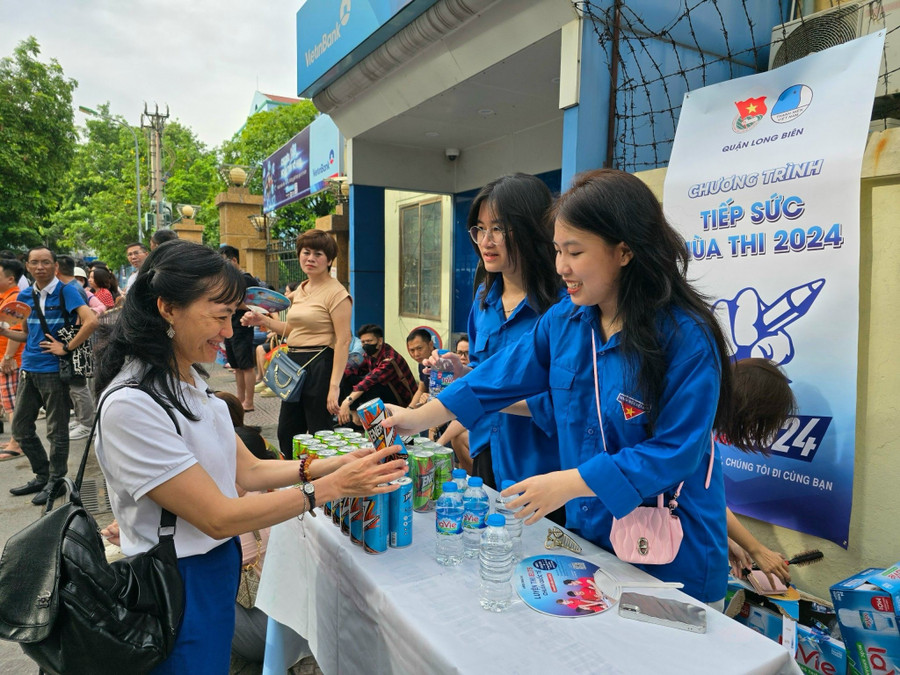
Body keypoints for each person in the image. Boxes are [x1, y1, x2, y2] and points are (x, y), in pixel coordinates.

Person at [385, 169, 735, 604]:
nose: (561, 268)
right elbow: (495, 378)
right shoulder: (565, 321)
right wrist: (416, 418)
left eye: (575, 252)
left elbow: (676, 452)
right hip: (594, 539)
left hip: (673, 557)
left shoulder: (685, 338)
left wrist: (570, 482)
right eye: (556, 251)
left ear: (624, 251)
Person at [93, 239, 406, 673]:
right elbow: (218, 516)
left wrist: (337, 463)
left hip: (213, 567)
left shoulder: (187, 382)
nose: (228, 331)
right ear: (168, 308)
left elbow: (250, 469)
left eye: (231, 316)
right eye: (219, 316)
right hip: (176, 578)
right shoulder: (133, 403)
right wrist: (331, 488)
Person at [426, 173, 563, 492]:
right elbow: (482, 370)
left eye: (498, 229)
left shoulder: (562, 308)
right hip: (487, 449)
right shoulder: (483, 300)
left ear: (532, 229)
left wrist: (485, 395)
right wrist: (462, 373)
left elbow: (562, 400)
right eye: (480, 229)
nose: (486, 241)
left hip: (541, 463)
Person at [241, 230, 352, 458]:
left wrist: (334, 387)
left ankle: (324, 476)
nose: (310, 258)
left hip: (320, 364)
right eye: (306, 252)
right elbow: (292, 330)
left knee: (319, 431)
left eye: (318, 254)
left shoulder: (337, 294)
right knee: (288, 431)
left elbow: (343, 341)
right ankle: (293, 473)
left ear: (329, 260)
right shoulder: (301, 290)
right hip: (294, 363)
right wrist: (262, 320)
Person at [3, 246, 99, 505]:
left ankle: (56, 481)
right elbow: (27, 334)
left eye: (46, 262)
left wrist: (66, 347)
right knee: (20, 428)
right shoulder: (26, 295)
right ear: (28, 266)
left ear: (55, 266)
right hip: (29, 368)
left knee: (56, 430)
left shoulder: (66, 291)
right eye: (34, 262)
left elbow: (91, 321)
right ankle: (43, 475)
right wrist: (5, 332)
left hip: (54, 371)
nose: (40, 267)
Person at [719, 357, 797, 588]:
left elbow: (708, 497)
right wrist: (757, 549)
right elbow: (699, 496)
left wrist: (729, 539)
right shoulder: (692, 430)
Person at [339, 323, 417, 424]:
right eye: (363, 342)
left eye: (369, 341)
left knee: (372, 384)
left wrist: (347, 401)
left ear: (380, 341)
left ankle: (374, 422)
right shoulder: (369, 354)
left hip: (402, 401)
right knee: (347, 376)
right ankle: (355, 418)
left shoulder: (390, 359)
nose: (366, 345)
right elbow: (350, 369)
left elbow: (371, 380)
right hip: (384, 394)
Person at [56, 256, 98, 441]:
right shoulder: (72, 286)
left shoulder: (72, 289)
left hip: (76, 341)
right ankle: (81, 419)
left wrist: (70, 344)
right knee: (74, 385)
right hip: (74, 340)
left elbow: (84, 320)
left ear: (56, 269)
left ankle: (87, 424)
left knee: (78, 385)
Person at [220, 245, 258, 413]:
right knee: (236, 366)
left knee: (246, 365)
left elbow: (256, 303)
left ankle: (249, 401)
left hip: (242, 326)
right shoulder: (230, 280)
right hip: (230, 325)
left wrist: (232, 304)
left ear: (234, 260)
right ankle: (240, 399)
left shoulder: (246, 280)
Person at [0, 258, 26, 459]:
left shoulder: (14, 300)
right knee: (8, 402)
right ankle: (14, 440)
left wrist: (8, 357)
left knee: (12, 405)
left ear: (10, 279)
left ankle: (17, 444)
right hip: (6, 358)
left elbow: (15, 331)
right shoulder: (5, 298)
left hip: (11, 360)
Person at [405, 328, 434, 408]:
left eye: (419, 348)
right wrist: (409, 409)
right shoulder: (422, 362)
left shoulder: (443, 362)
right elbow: (421, 389)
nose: (416, 354)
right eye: (412, 350)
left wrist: (432, 398)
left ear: (430, 345)